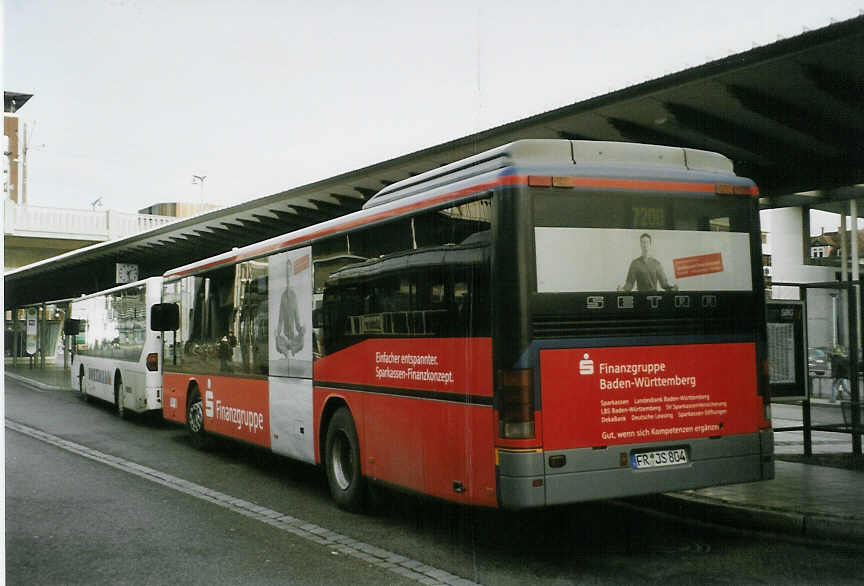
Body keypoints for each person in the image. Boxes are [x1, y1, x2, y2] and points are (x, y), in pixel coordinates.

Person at [276, 258, 305, 357]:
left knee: (301, 338)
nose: (288, 277)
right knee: (278, 339)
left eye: (289, 272)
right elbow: (280, 319)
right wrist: (278, 333)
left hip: (293, 338)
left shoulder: (293, 296)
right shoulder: (283, 296)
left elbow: (297, 320)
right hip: (284, 337)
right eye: (287, 273)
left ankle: (292, 349)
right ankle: (288, 349)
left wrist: (301, 330)